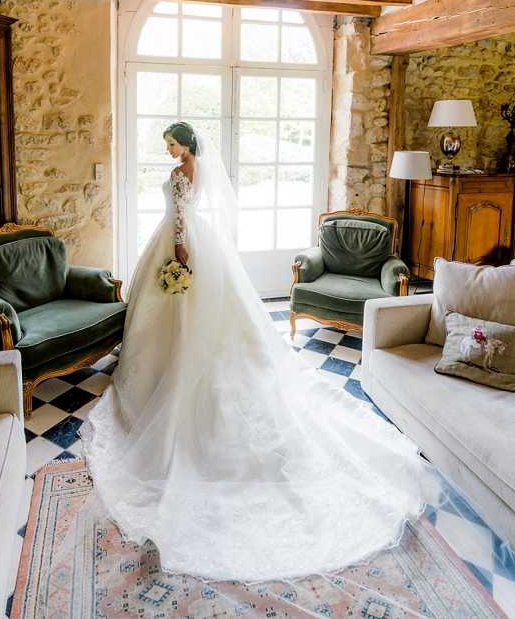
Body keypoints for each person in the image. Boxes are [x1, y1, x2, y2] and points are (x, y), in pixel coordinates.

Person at [82, 121, 438, 582]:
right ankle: (174, 364)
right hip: (189, 238)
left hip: (182, 243)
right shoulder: (195, 168)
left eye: (171, 143)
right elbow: (189, 208)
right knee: (201, 318)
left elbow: (181, 217)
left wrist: (179, 251)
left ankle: (170, 372)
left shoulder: (182, 172)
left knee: (184, 317)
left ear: (185, 143)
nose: (167, 149)